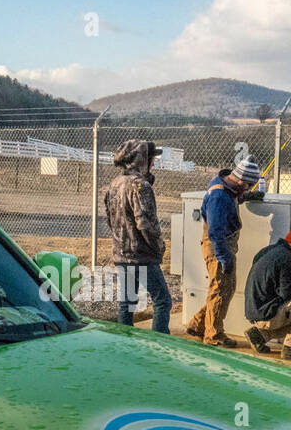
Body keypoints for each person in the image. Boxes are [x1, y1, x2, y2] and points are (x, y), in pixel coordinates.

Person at [184, 158, 262, 347]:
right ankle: (214, 335)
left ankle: (197, 324)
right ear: (242, 181)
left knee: (220, 289)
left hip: (220, 245)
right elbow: (216, 232)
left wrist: (246, 197)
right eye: (249, 186)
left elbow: (234, 197)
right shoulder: (219, 197)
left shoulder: (227, 188)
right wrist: (224, 258)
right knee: (221, 290)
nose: (248, 189)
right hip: (219, 246)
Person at [104, 139, 172, 332]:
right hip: (142, 255)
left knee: (127, 303)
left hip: (121, 253)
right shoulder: (140, 186)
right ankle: (160, 344)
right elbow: (146, 225)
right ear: (141, 160)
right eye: (151, 159)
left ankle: (125, 345)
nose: (154, 162)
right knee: (163, 301)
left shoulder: (115, 184)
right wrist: (158, 246)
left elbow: (110, 219)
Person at [243, 227, 291, 361]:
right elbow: (287, 294)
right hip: (267, 315)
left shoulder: (267, 251)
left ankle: (259, 335)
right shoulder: (288, 259)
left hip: (254, 311)